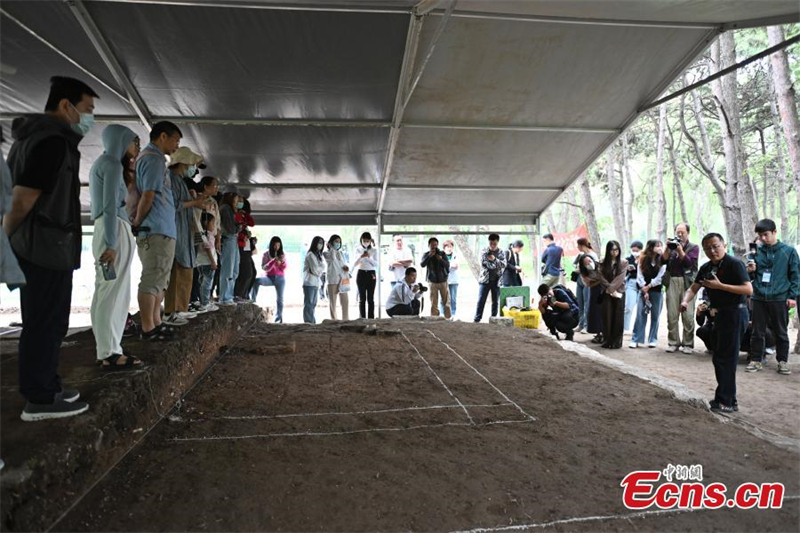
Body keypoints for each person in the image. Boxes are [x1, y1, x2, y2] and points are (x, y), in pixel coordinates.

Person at [4, 77, 96, 420]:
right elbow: (23, 198)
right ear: (65, 106)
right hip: (42, 247)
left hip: (47, 245)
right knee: (43, 321)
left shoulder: (41, 138)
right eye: (87, 109)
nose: (89, 118)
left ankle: (49, 383)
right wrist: (5, 241)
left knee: (52, 320)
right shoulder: (51, 142)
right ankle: (39, 399)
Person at [89, 124, 143, 370]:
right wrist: (111, 244)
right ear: (121, 140)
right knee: (113, 292)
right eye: (134, 142)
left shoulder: (105, 163)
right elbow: (111, 205)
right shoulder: (111, 164)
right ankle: (109, 352)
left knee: (107, 291)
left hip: (111, 227)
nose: (135, 148)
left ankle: (109, 349)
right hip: (113, 229)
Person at [681, 233, 752, 413]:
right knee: (720, 358)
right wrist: (685, 301)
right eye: (708, 248)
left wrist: (721, 286)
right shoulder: (706, 268)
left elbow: (748, 289)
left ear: (724, 244)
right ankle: (727, 399)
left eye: (716, 246)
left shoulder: (735, 264)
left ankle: (726, 401)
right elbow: (693, 288)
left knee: (726, 359)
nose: (712, 251)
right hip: (719, 315)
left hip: (736, 312)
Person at [131, 121, 182, 339]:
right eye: (175, 140)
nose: (176, 146)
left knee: (160, 278)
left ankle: (156, 322)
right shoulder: (152, 159)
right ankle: (148, 327)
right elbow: (148, 194)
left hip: (161, 228)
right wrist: (138, 221)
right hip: (155, 228)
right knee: (152, 278)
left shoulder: (155, 159)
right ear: (163, 136)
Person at [745, 219, 799, 375]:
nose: (762, 238)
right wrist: (751, 270)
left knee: (781, 331)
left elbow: (795, 275)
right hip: (759, 297)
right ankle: (756, 360)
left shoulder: (788, 251)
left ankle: (782, 362)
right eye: (760, 235)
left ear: (775, 232)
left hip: (780, 297)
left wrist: (792, 296)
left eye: (765, 235)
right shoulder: (756, 252)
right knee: (757, 331)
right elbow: (751, 277)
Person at [164, 146, 209, 325]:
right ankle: (170, 311)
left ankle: (180, 308)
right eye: (193, 164)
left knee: (185, 269)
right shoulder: (171, 179)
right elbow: (174, 205)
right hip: (176, 230)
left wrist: (194, 203)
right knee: (177, 270)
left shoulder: (180, 180)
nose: (194, 168)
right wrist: (194, 202)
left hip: (183, 230)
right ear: (184, 163)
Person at [662, 222, 700, 354]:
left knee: (688, 315)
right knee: (672, 314)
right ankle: (673, 342)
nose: (679, 234)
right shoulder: (672, 246)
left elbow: (689, 263)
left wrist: (680, 250)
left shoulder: (694, 247)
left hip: (687, 283)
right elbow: (663, 261)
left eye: (682, 232)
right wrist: (667, 248)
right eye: (677, 231)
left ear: (688, 233)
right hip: (672, 281)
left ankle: (688, 344)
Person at [630, 240, 666, 349]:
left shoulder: (663, 260)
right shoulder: (643, 259)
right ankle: (636, 339)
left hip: (656, 290)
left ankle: (653, 339)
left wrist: (649, 286)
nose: (659, 248)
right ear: (651, 247)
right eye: (657, 246)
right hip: (643, 290)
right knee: (640, 315)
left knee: (655, 316)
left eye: (661, 245)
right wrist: (643, 288)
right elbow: (639, 275)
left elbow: (660, 277)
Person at [598, 240, 627, 349]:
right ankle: (607, 340)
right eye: (612, 250)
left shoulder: (624, 262)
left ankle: (616, 342)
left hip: (619, 292)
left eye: (616, 250)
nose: (614, 252)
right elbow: (601, 277)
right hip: (606, 293)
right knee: (607, 316)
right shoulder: (602, 262)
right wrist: (610, 290)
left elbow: (620, 278)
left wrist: (611, 289)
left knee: (618, 317)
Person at [473, 233, 507, 322]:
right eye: (491, 243)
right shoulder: (484, 251)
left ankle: (494, 319)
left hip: (497, 281)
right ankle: (477, 319)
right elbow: (484, 264)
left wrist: (494, 260)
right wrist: (496, 264)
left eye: (494, 244)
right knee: (481, 300)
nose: (492, 245)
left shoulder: (501, 252)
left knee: (495, 301)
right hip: (484, 280)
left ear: (497, 242)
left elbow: (504, 264)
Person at [252, 236, 287, 322]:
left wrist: (282, 262)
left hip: (280, 279)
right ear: (271, 245)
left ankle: (278, 319)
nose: (277, 247)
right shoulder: (266, 254)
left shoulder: (282, 254)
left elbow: (284, 267)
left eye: (278, 245)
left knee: (280, 299)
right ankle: (252, 301)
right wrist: (272, 261)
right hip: (269, 278)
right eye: (275, 245)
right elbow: (264, 268)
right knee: (256, 281)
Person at [218, 187, 240, 305]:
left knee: (234, 270)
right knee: (228, 270)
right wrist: (239, 226)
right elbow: (231, 229)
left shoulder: (230, 210)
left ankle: (228, 295)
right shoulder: (225, 209)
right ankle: (225, 297)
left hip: (233, 240)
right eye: (235, 201)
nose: (237, 203)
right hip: (228, 239)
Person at [420, 237, 451, 318]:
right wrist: (429, 256)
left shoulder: (442, 253)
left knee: (446, 302)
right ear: (429, 245)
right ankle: (434, 319)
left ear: (437, 245)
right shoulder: (426, 254)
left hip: (443, 281)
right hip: (432, 281)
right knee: (433, 303)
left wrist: (440, 259)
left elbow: (447, 265)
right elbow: (422, 264)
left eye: (435, 245)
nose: (434, 246)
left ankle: (448, 318)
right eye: (432, 245)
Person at [573, 238, 598, 334]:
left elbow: (593, 269)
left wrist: (581, 269)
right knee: (580, 303)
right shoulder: (581, 255)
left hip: (588, 281)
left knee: (587, 303)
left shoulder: (592, 255)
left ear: (582, 245)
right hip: (580, 280)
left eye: (578, 245)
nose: (577, 247)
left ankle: (587, 325)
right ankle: (581, 324)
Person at [196, 212, 219, 312]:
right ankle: (205, 303)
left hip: (200, 262)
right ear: (206, 223)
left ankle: (203, 302)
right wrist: (213, 262)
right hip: (208, 263)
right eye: (212, 223)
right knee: (207, 284)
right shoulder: (208, 235)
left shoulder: (200, 234)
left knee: (202, 283)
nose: (213, 226)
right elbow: (208, 249)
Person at [323, 234, 350, 321]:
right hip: (333, 279)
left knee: (345, 301)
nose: (338, 243)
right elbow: (332, 259)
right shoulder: (326, 253)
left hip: (343, 279)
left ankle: (345, 320)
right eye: (336, 241)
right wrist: (332, 249)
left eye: (339, 242)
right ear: (331, 243)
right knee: (333, 302)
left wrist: (346, 267)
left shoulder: (341, 253)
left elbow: (342, 264)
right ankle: (334, 320)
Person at [234, 199, 256, 301]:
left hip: (246, 248)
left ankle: (245, 294)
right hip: (240, 247)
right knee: (246, 272)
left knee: (252, 273)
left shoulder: (244, 216)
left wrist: (245, 215)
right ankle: (239, 295)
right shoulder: (236, 215)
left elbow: (251, 223)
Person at [353, 231, 378, 319]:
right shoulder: (357, 249)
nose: (366, 242)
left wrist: (368, 257)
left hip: (371, 273)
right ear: (361, 240)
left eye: (368, 240)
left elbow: (376, 264)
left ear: (370, 241)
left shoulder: (374, 250)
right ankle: (362, 318)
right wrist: (361, 256)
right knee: (362, 298)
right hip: (361, 273)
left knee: (370, 298)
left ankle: (371, 318)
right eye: (364, 240)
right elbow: (355, 263)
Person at [303, 236, 325, 324]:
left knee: (313, 304)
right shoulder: (310, 255)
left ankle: (312, 322)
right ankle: (308, 323)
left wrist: (319, 269)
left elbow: (322, 267)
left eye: (322, 243)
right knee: (309, 304)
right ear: (314, 243)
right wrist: (320, 269)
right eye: (319, 242)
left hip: (315, 283)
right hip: (309, 283)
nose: (320, 245)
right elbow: (315, 270)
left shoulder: (318, 255)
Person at [623, 241, 644, 334]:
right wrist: (627, 269)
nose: (635, 252)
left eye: (637, 250)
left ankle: (638, 329)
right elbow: (624, 273)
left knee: (641, 309)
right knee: (628, 307)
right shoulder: (628, 259)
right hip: (631, 283)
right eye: (633, 250)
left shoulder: (644, 259)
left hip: (642, 284)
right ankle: (625, 328)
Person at [440, 240, 459, 317]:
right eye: (447, 247)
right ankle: (442, 313)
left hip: (454, 280)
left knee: (453, 299)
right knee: (442, 298)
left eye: (451, 246)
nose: (449, 248)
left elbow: (456, 266)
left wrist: (447, 265)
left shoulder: (456, 255)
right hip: (443, 280)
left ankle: (453, 313)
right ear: (444, 248)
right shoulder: (441, 256)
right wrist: (450, 265)